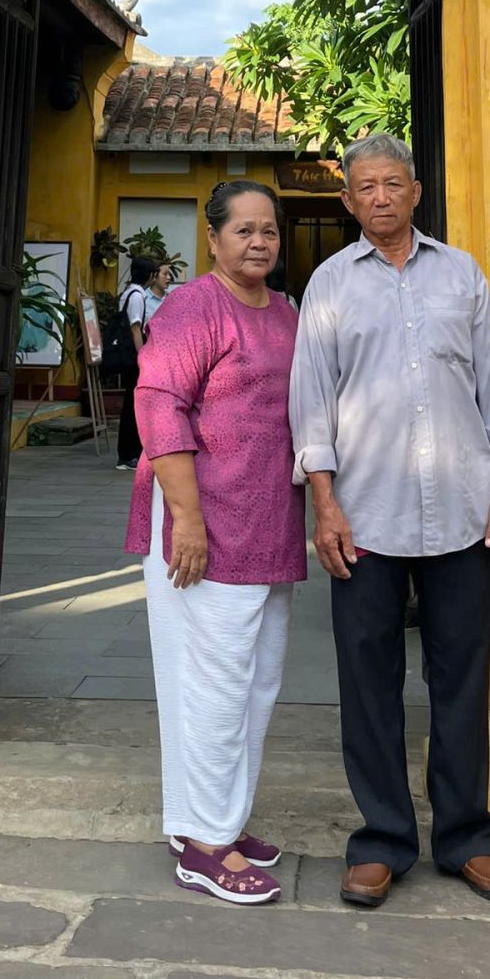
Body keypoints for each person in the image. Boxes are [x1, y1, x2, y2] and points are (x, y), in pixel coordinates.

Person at [289, 132, 490, 909]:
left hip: (462, 508)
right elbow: (311, 404)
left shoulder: (461, 274)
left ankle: (466, 838)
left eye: (393, 182)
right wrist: (324, 502)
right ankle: (383, 839)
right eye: (367, 186)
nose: (381, 196)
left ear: (415, 191)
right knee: (368, 678)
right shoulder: (329, 285)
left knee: (460, 674)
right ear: (348, 200)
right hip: (365, 513)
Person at [124, 183, 305, 905]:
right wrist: (187, 517)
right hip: (204, 521)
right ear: (214, 239)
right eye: (244, 230)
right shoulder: (193, 307)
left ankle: (217, 820)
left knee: (256, 681)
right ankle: (204, 845)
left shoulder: (285, 311)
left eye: (269, 231)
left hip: (268, 522)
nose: (259, 242)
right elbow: (158, 404)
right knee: (213, 683)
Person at [114, 256, 173, 470]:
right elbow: (135, 328)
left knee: (131, 403)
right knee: (134, 406)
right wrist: (143, 357)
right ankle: (129, 454)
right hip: (134, 357)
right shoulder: (138, 296)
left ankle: (128, 452)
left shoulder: (128, 292)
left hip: (127, 356)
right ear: (150, 275)